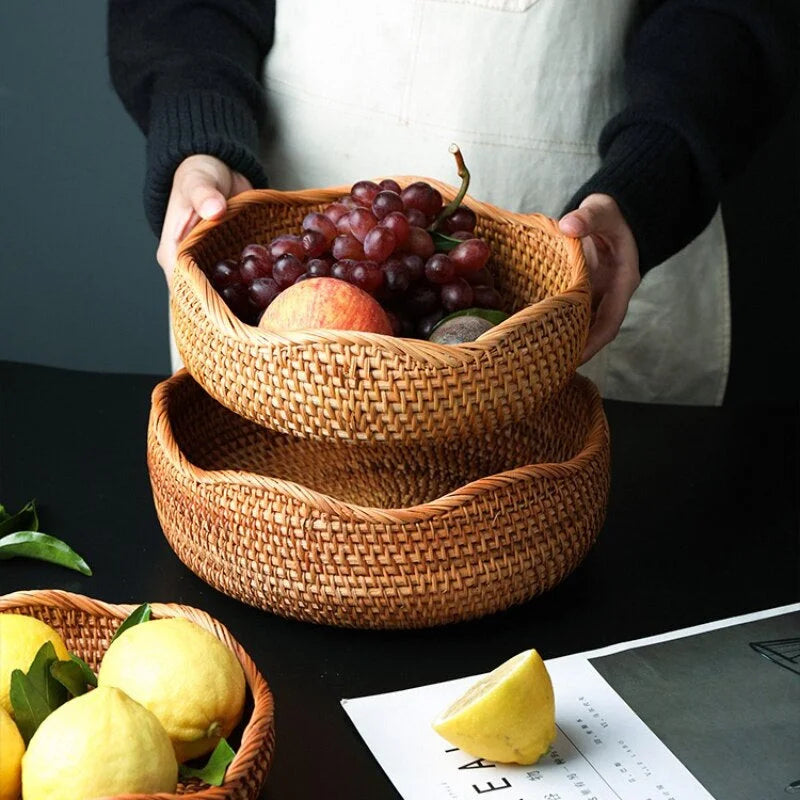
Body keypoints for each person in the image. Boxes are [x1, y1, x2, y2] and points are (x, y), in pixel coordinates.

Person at [108, 0, 797, 404]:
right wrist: (201, 137)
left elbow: (731, 14)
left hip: (591, 236)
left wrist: (653, 177)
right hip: (279, 230)